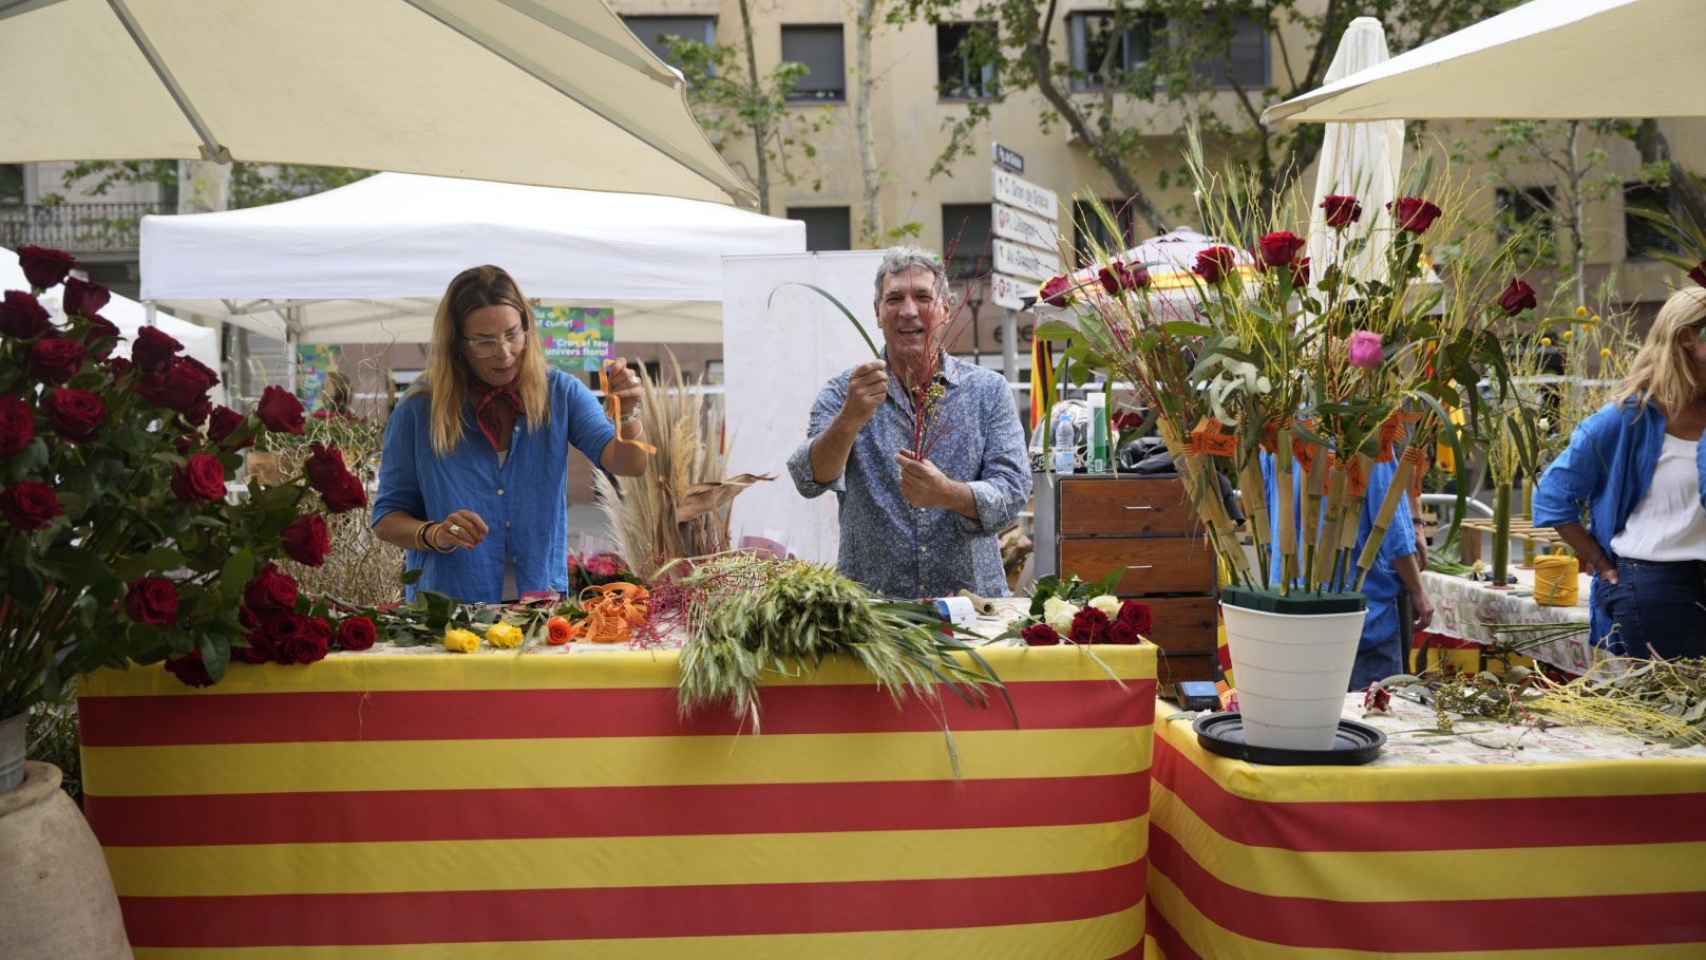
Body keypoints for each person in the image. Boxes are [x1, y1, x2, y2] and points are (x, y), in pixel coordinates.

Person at [372, 265, 649, 602]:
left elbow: (629, 463)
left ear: (528, 329)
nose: (504, 353)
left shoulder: (560, 393)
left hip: (539, 604)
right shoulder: (419, 408)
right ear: (458, 344)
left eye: (512, 334)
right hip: (448, 608)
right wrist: (435, 533)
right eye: (484, 342)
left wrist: (629, 410)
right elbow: (386, 518)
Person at [788, 247, 1031, 598]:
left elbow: (1013, 490)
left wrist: (949, 493)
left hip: (973, 611)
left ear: (945, 309)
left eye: (922, 297)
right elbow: (809, 479)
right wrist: (850, 418)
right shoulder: (847, 391)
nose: (908, 311)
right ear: (877, 313)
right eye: (894, 299)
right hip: (875, 616)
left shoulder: (987, 391)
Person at [1533, 286, 1706, 658]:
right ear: (1687, 338)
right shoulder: (1629, 418)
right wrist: (1597, 560)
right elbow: (1554, 494)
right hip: (1658, 590)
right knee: (1671, 712)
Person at [1262, 453, 1434, 690]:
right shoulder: (1369, 433)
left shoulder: (1277, 431)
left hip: (1292, 613)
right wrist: (1417, 590)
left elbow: (1267, 515)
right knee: (1372, 715)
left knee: (1306, 719)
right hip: (1361, 616)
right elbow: (1391, 528)